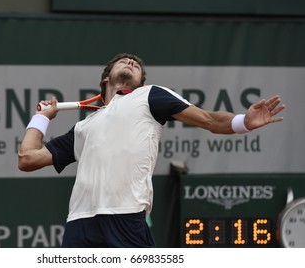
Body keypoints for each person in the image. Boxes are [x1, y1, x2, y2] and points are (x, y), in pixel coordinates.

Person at [18, 53, 285, 247]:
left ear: (141, 83)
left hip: (125, 219)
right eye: (123, 60)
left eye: (136, 65)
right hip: (80, 223)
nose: (131, 61)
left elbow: (209, 120)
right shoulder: (83, 129)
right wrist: (41, 118)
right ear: (105, 79)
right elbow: (28, 158)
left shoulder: (150, 96)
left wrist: (243, 123)